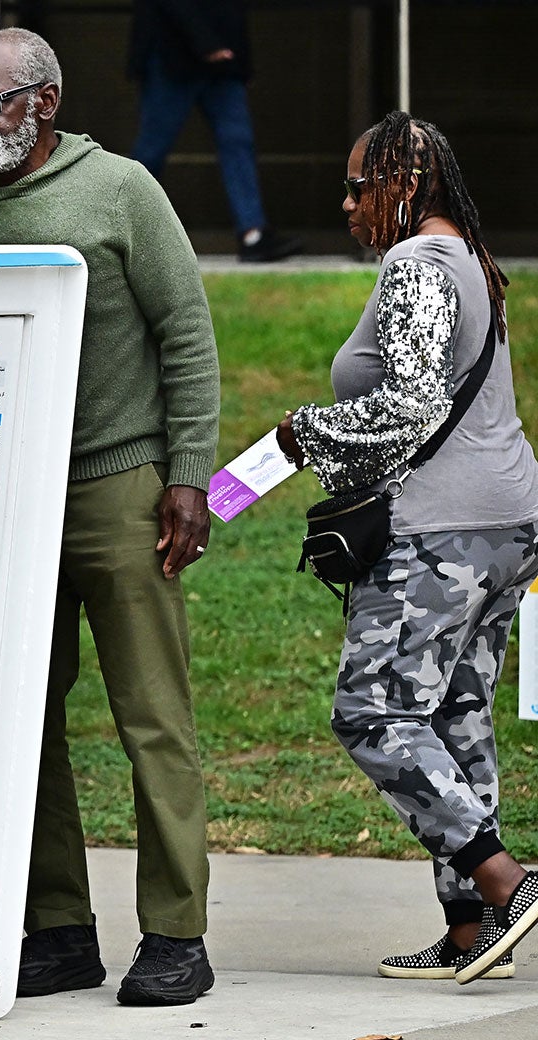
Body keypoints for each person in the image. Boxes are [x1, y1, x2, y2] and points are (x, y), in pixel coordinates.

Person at [0, 27, 220, 1006]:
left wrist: (188, 476)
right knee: (21, 721)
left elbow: (186, 332)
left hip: (118, 487)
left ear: (44, 101)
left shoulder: (121, 190)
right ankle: (57, 926)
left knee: (152, 718)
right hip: (5, 499)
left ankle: (176, 933)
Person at [277, 111, 538, 984]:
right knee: (454, 715)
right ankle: (473, 931)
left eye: (360, 186)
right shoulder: (471, 259)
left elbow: (407, 408)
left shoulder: (418, 265)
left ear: (405, 184)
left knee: (372, 711)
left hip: (442, 532)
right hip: (506, 523)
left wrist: (303, 434)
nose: (348, 203)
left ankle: (508, 884)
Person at [128, 0, 303, 263]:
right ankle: (117, 228)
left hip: (222, 61)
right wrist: (206, 44)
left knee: (238, 143)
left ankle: (253, 234)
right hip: (171, 54)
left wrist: (241, 63)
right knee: (151, 151)